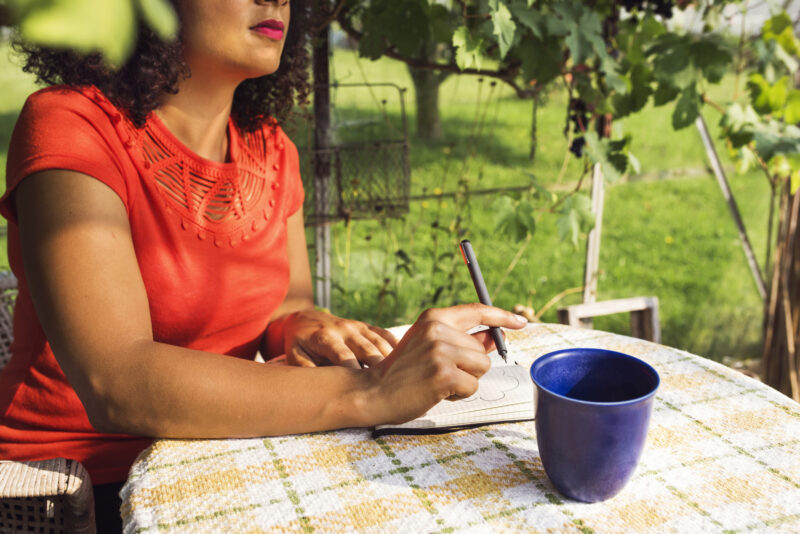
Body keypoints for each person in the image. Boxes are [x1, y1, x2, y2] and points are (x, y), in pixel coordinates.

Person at [0, 1, 527, 530]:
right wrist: (374, 390)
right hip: (75, 489)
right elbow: (116, 381)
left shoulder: (270, 148)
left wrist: (305, 326)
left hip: (221, 453)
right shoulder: (73, 127)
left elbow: (286, 304)